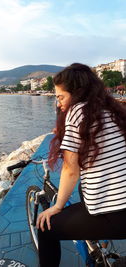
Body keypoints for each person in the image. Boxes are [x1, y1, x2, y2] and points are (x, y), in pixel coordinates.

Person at [36, 63, 126, 267]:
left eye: (60, 97)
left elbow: (70, 169)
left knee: (45, 229)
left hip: (116, 215)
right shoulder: (111, 109)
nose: (58, 104)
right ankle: (99, 244)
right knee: (83, 188)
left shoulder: (77, 111)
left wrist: (57, 207)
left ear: (77, 94)